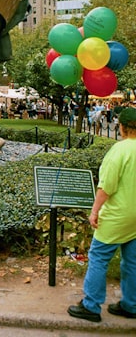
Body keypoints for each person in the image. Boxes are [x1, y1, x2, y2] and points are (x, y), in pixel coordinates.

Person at [68, 107, 136, 323]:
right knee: (132, 262)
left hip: (116, 216)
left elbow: (106, 187)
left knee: (98, 257)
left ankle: (91, 305)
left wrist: (94, 211)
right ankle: (131, 305)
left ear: (122, 127)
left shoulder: (119, 150)